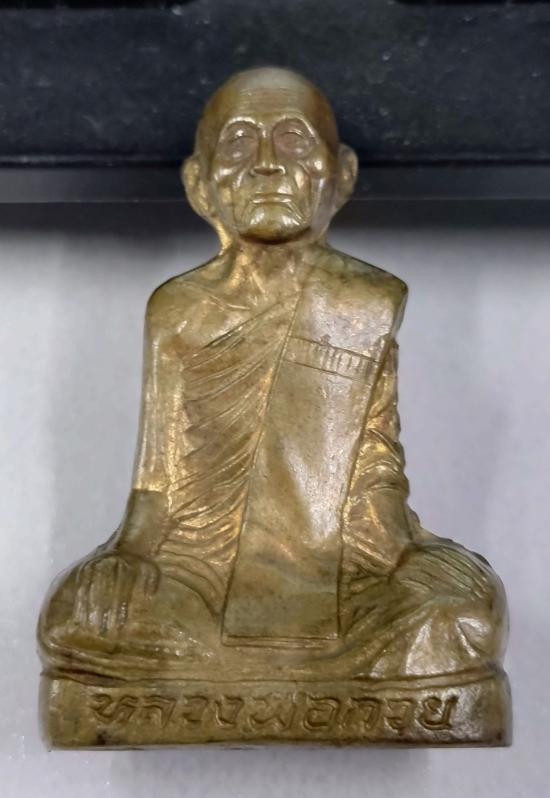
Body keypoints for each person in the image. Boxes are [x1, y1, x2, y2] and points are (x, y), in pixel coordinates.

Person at [39, 67, 507, 684]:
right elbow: (157, 484)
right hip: (196, 573)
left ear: (340, 175)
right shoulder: (178, 311)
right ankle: (283, 677)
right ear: (199, 185)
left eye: (292, 139)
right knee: (72, 618)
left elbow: (375, 468)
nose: (266, 164)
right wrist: (125, 556)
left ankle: (244, 678)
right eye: (238, 143)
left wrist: (404, 554)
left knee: (468, 612)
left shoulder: (365, 303)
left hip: (344, 570)